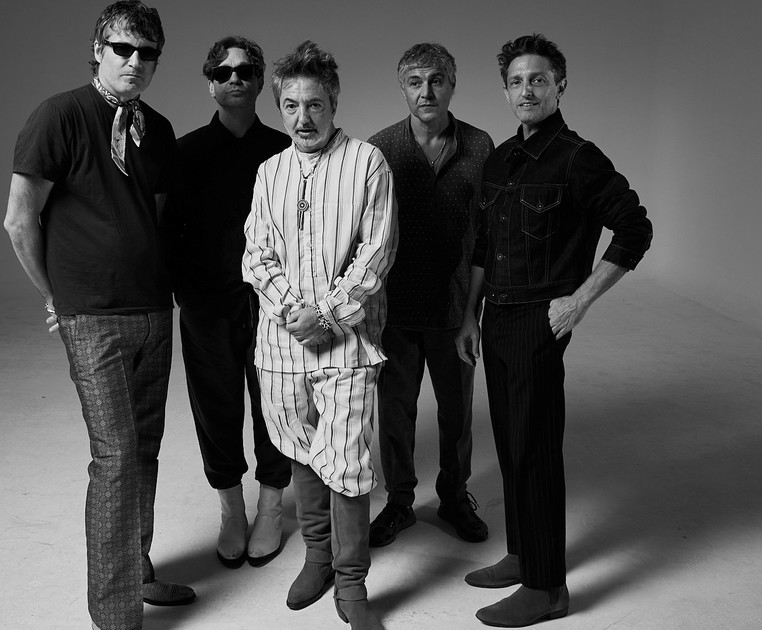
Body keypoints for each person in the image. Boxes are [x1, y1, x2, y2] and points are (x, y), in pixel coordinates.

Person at [2, 2, 195, 628]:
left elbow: (155, 218)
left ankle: (136, 571)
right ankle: (115, 617)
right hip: (92, 317)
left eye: (147, 53)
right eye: (122, 49)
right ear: (97, 50)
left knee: (145, 449)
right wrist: (55, 298)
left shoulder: (157, 129)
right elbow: (19, 219)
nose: (135, 62)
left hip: (153, 310)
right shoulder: (59, 115)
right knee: (114, 457)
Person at [455, 34, 653, 627]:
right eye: (516, 81)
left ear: (560, 86)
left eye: (538, 79)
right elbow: (483, 245)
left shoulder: (577, 157)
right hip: (496, 318)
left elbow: (635, 228)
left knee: (536, 451)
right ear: (505, 91)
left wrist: (578, 302)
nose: (526, 90)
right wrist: (469, 315)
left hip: (539, 319)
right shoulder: (500, 159)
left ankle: (547, 588)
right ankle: (522, 555)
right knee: (510, 444)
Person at [242, 40, 397, 630]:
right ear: (279, 106)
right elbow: (255, 255)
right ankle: (317, 558)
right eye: (291, 105)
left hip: (347, 343)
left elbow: (376, 253)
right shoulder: (269, 172)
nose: (302, 118)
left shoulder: (367, 163)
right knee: (301, 449)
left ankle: (352, 584)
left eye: (314, 104)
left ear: (334, 102)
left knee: (348, 459)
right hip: (281, 345)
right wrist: (292, 311)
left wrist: (326, 316)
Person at [169, 35, 293, 568]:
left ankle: (271, 508)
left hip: (274, 306)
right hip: (207, 304)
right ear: (210, 84)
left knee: (276, 406)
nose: (234, 79)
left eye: (244, 71)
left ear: (261, 81)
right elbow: (169, 230)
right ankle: (231, 510)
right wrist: (187, 294)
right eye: (222, 72)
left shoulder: (285, 151)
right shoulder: (186, 152)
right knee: (215, 408)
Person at [366, 42, 494, 548]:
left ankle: (454, 497)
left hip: (455, 310)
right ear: (402, 87)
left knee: (456, 413)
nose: (427, 92)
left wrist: (472, 315)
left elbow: (485, 239)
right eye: (415, 82)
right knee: (394, 412)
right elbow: (365, 237)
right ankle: (399, 502)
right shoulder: (380, 149)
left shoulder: (480, 146)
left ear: (452, 85)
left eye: (437, 80)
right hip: (394, 312)